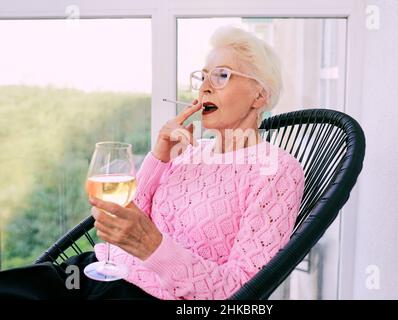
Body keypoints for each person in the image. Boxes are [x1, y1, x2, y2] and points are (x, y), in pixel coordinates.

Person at [0, 26, 304, 300]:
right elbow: (130, 213)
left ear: (259, 95)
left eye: (221, 75)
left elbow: (243, 289)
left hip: (143, 295)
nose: (204, 88)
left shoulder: (275, 170)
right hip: (96, 271)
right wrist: (159, 156)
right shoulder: (188, 152)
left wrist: (154, 249)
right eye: (203, 76)